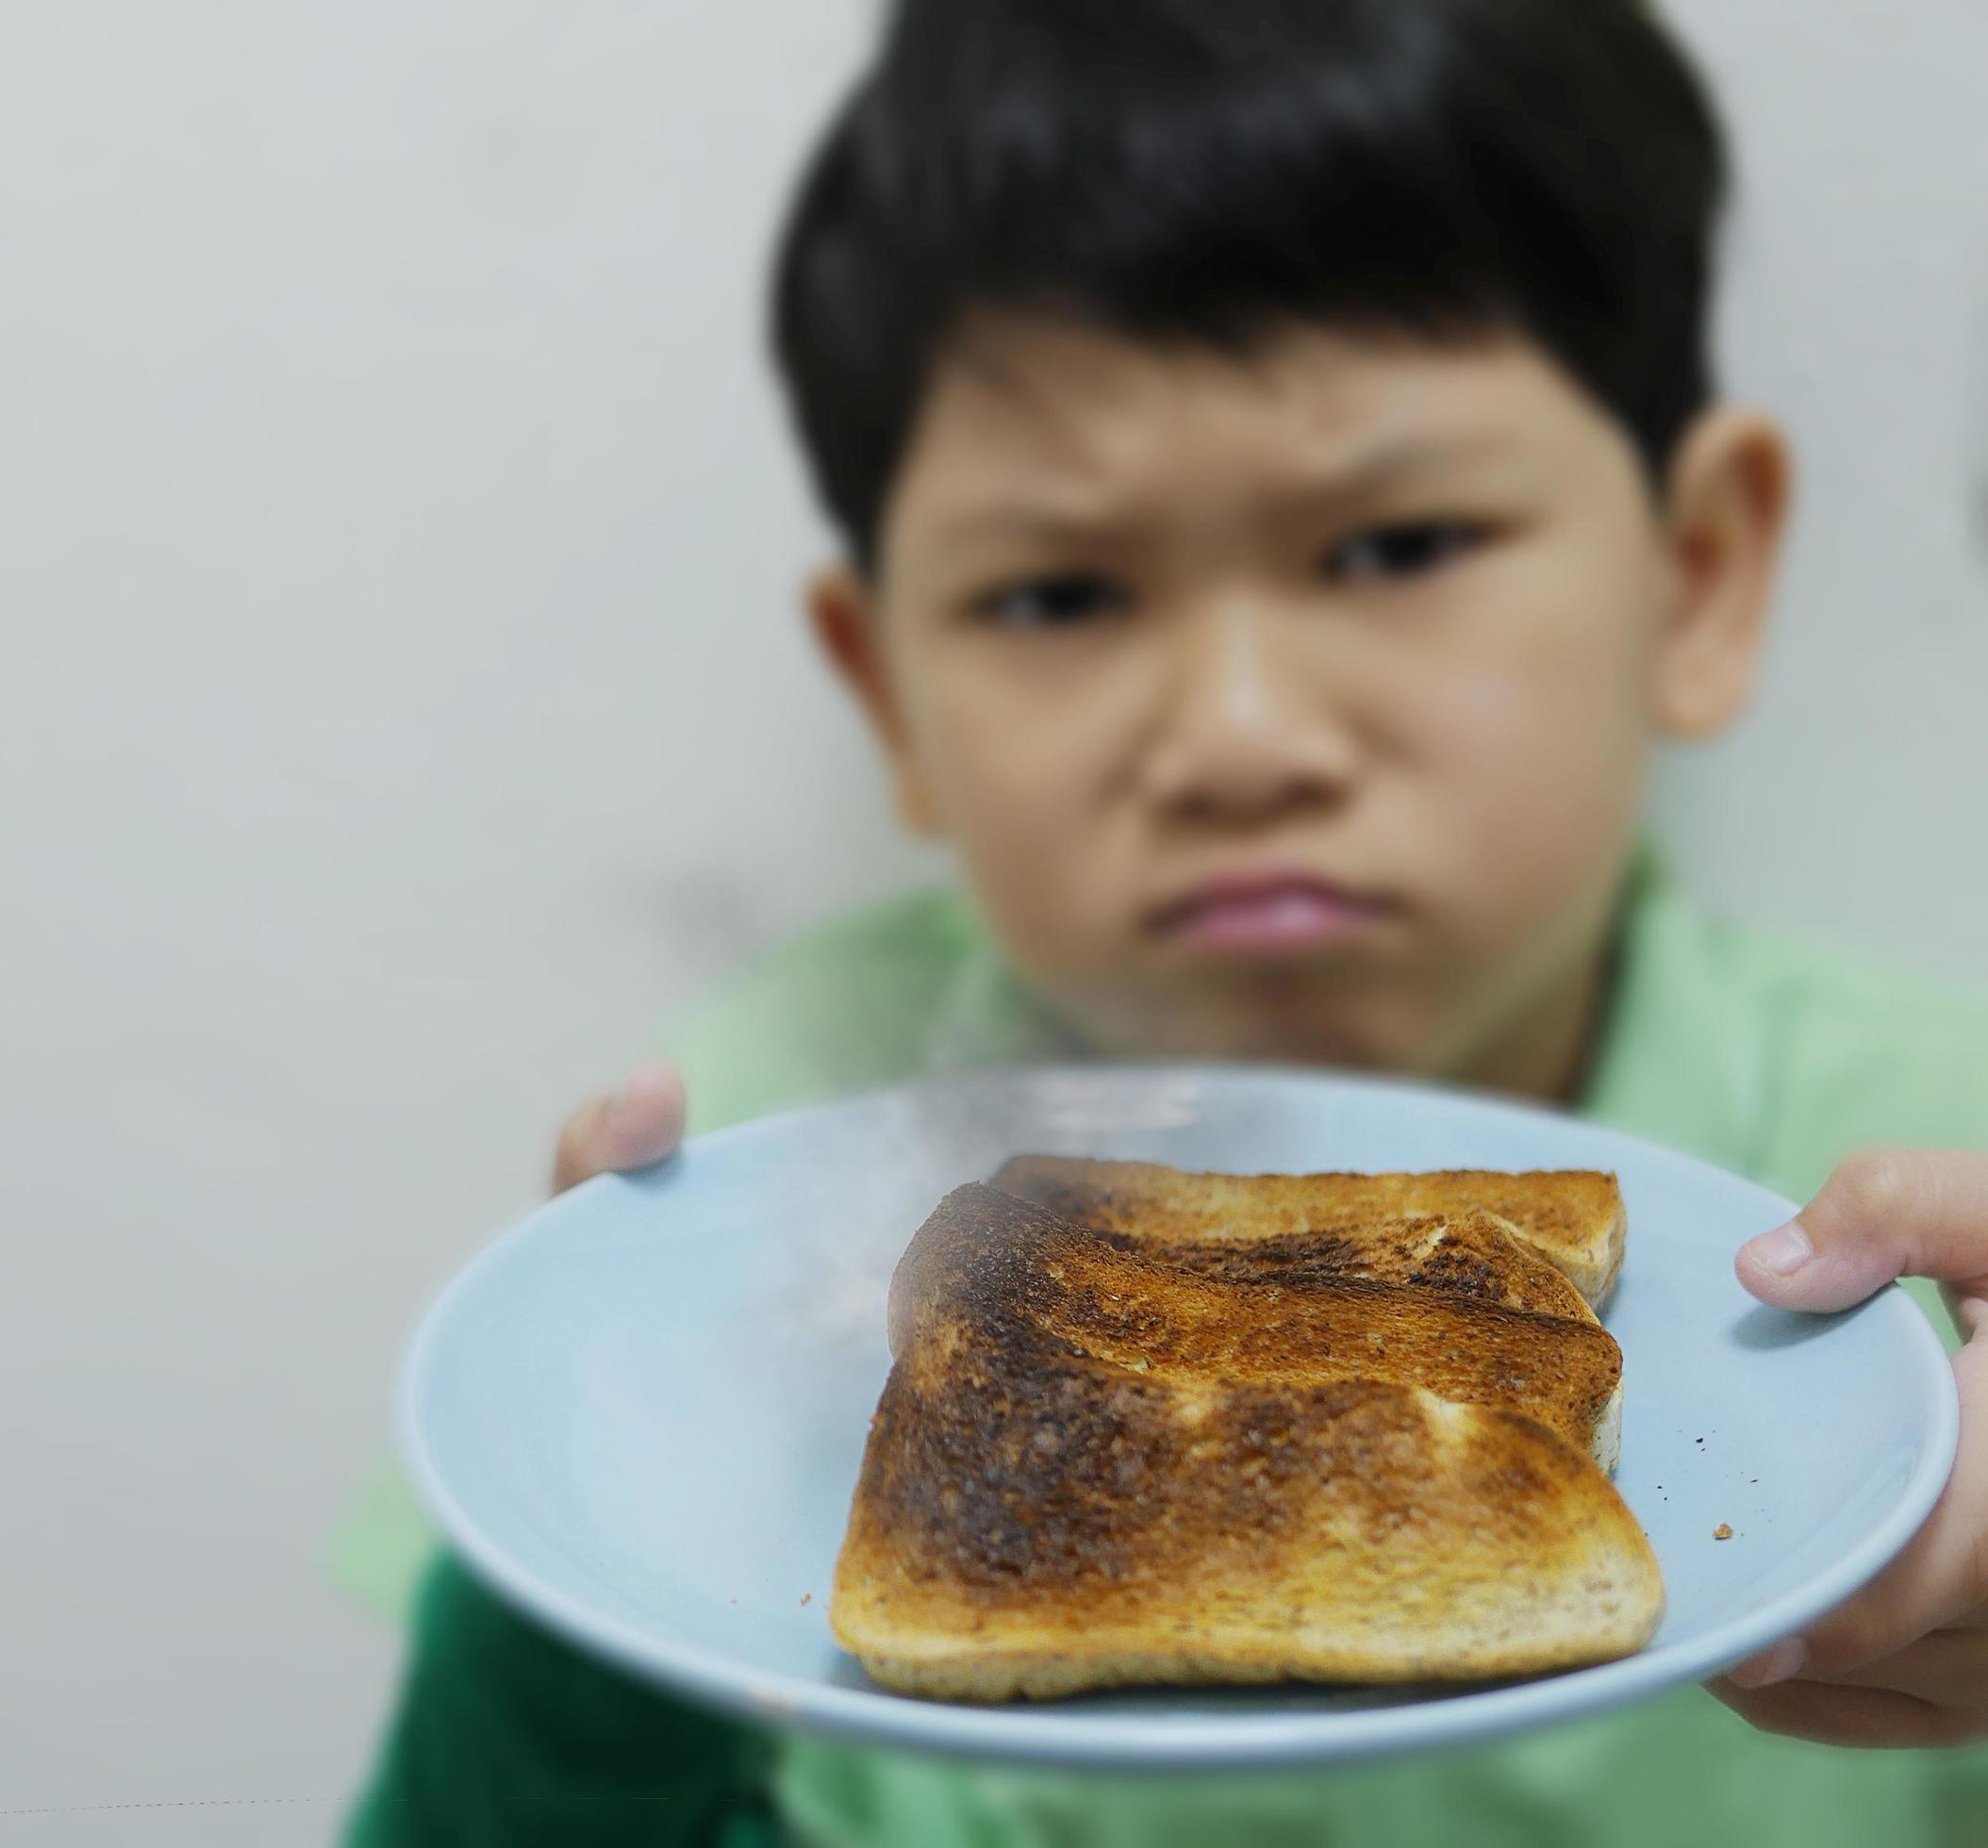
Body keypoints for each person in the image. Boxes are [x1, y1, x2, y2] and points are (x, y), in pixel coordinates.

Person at [338, 1, 1988, 1840]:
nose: (1238, 737)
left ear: (1697, 576)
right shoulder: (757, 1156)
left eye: (1392, 546)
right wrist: (594, 1550)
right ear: (886, 692)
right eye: (1059, 590)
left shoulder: (1937, 1210)